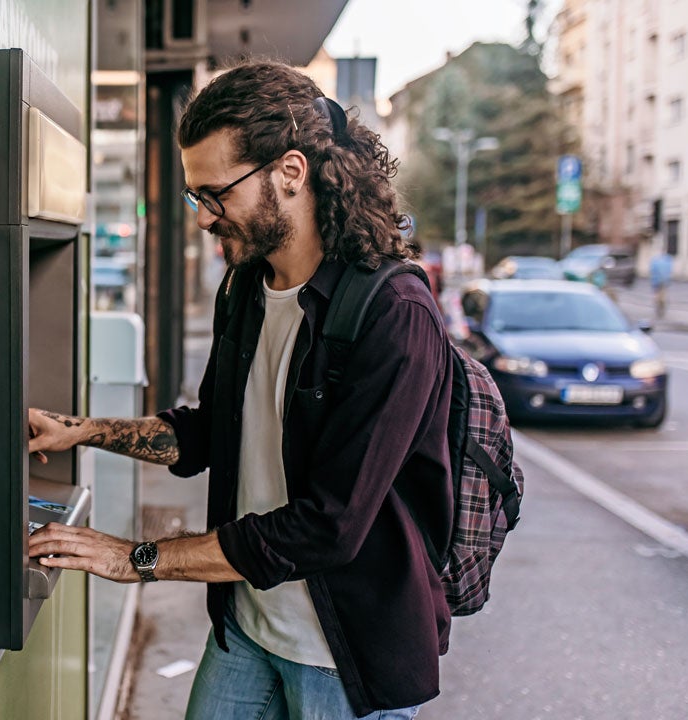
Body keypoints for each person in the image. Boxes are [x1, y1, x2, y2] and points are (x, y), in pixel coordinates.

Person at [27, 61, 454, 719]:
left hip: (342, 658)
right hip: (248, 624)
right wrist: (81, 430)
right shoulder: (245, 290)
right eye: (196, 197)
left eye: (215, 194)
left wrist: (134, 559)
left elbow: (329, 526)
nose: (203, 218)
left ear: (291, 172)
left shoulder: (393, 313)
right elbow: (210, 432)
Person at [650, 248, 674, 319]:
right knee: (662, 294)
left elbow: (652, 270)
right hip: (663, 281)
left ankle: (659, 304)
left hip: (657, 282)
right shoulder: (667, 260)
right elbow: (669, 271)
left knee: (658, 295)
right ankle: (661, 304)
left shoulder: (656, 260)